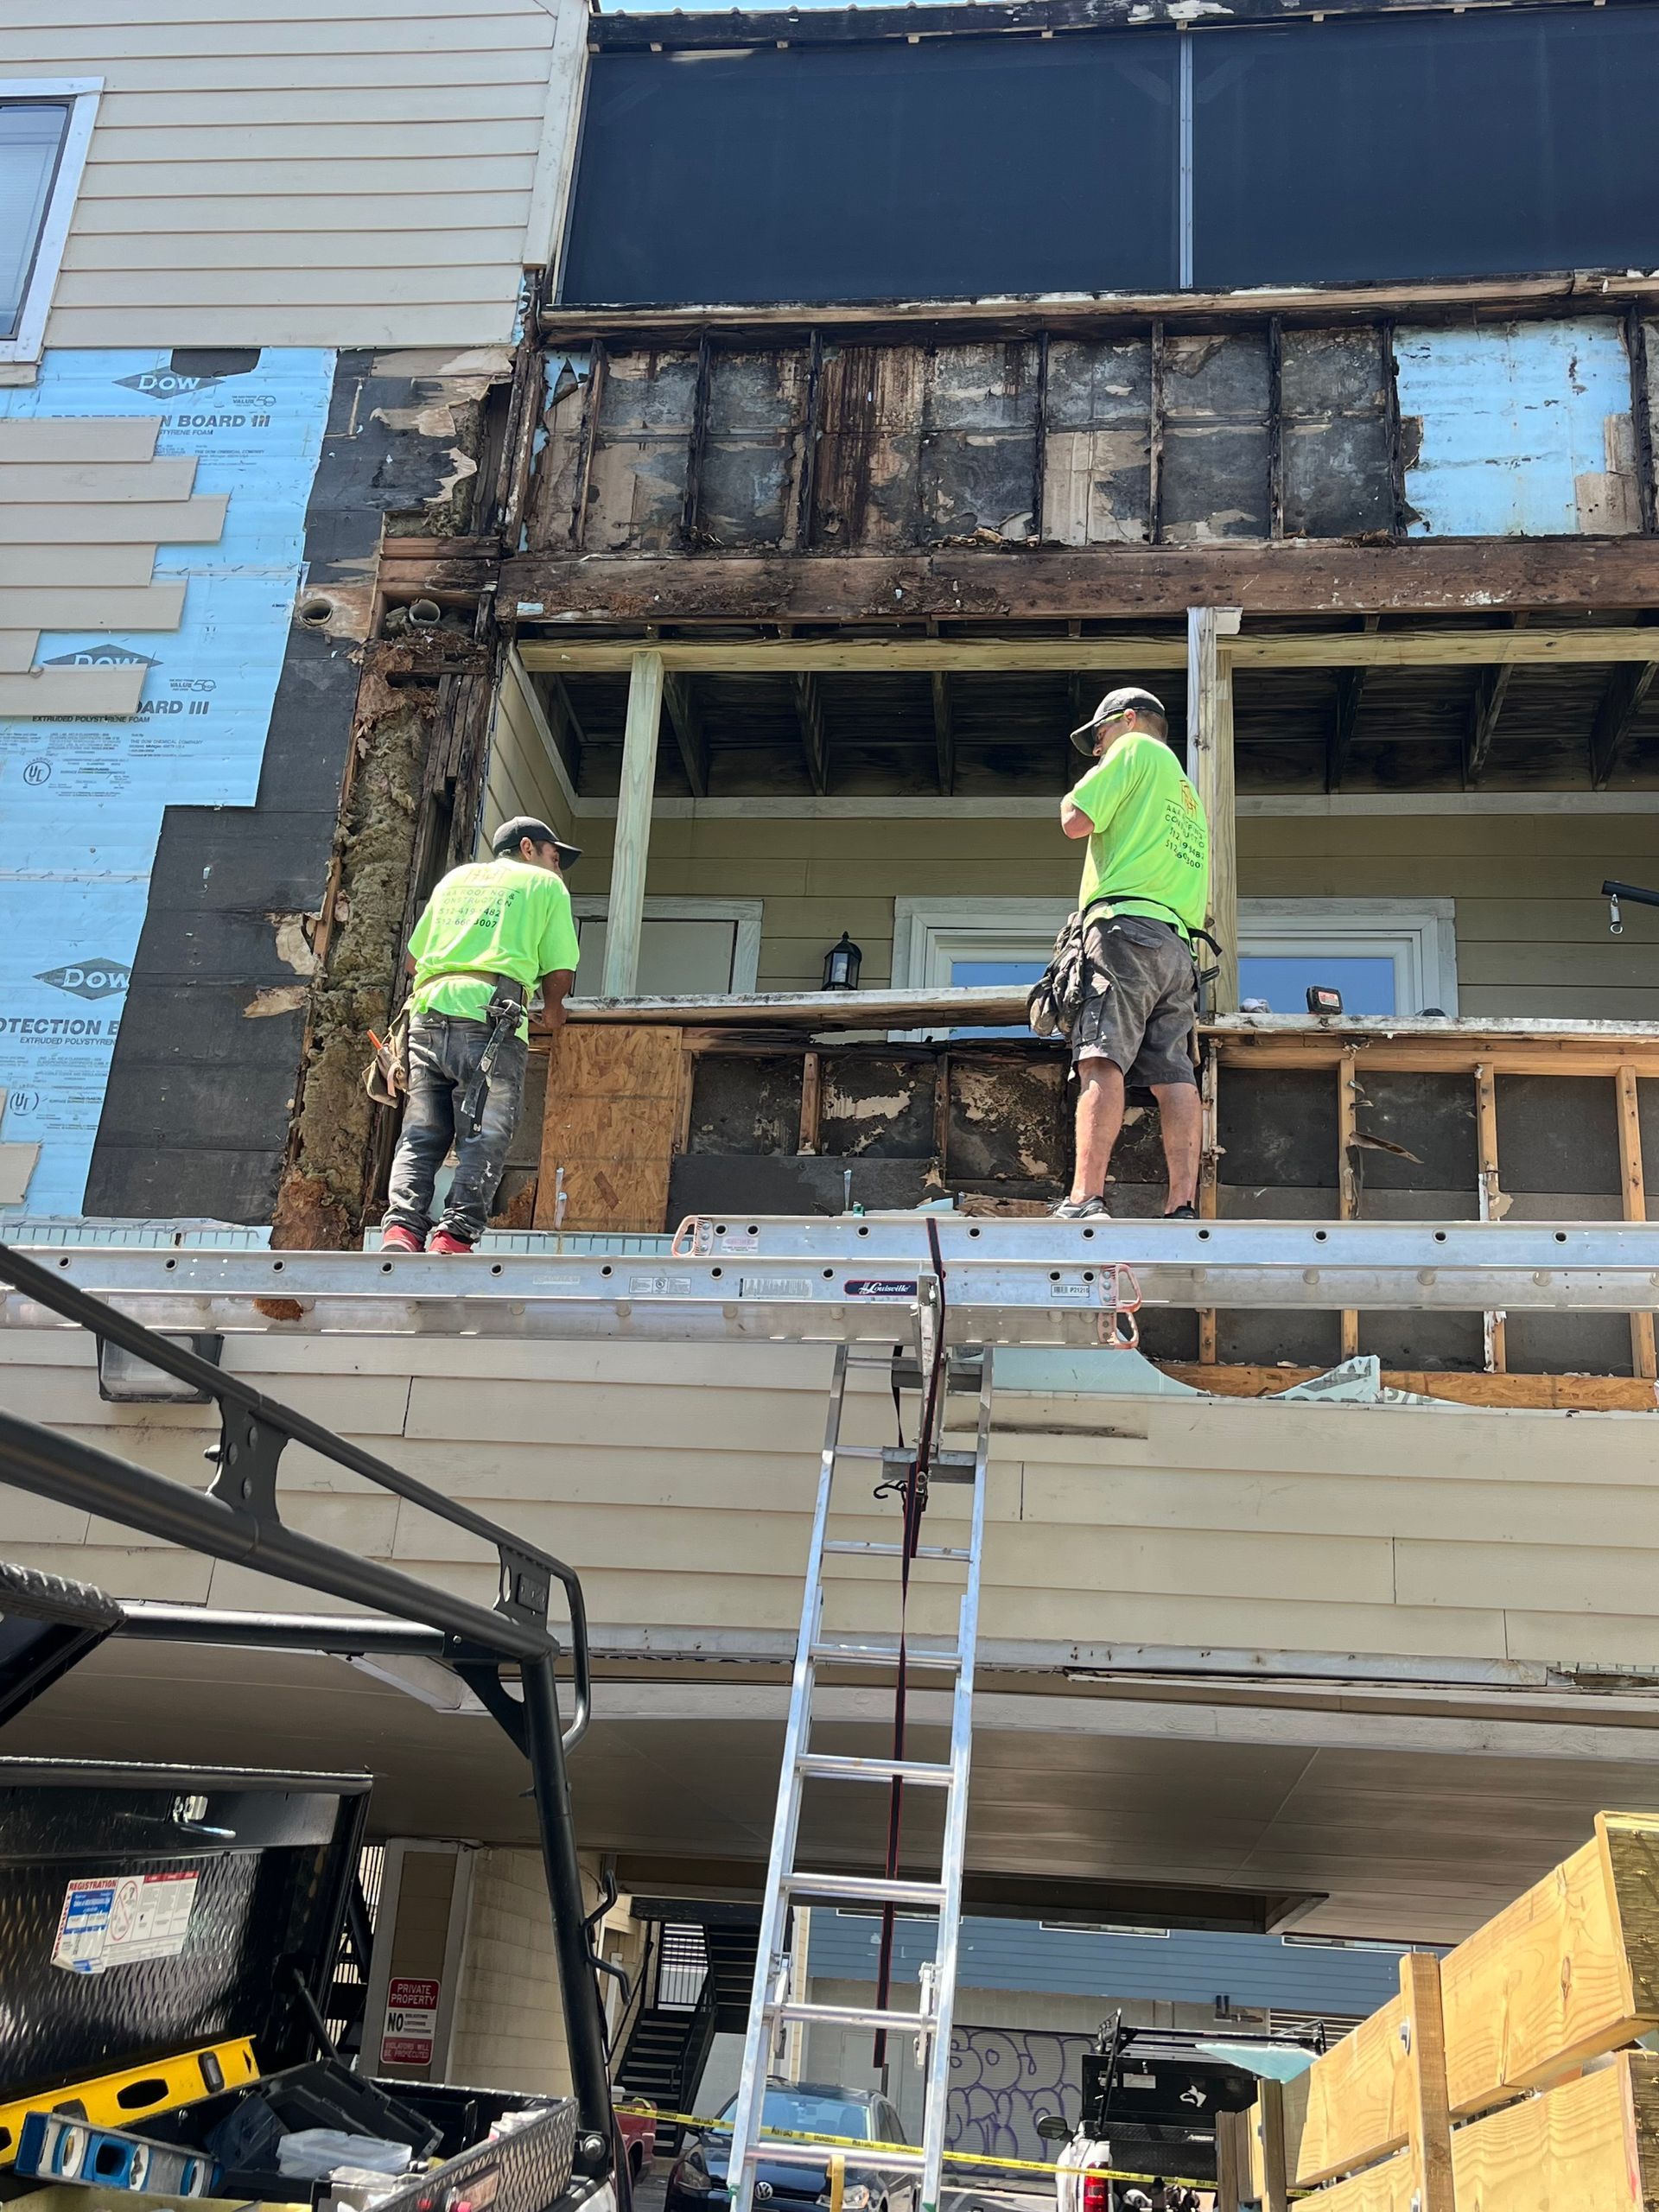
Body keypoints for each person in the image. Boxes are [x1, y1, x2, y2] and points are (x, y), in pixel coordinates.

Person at [380, 815, 581, 1255]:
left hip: (428, 1012)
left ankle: (401, 1230)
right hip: (491, 1016)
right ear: (528, 848)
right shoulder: (544, 886)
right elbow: (559, 968)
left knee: (421, 1130)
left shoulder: (455, 880)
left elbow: (414, 963)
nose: (557, 867)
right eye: (555, 856)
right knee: (484, 1131)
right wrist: (553, 1010)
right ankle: (454, 1235)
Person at [1054, 686, 1209, 1224]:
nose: (1098, 750)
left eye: (1098, 738)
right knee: (1175, 1075)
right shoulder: (1186, 794)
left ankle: (1084, 1199)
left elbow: (1075, 820)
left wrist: (1078, 791)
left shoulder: (1134, 750)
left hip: (1125, 931)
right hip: (1177, 948)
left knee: (1100, 1055)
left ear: (1125, 721)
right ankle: (1182, 1206)